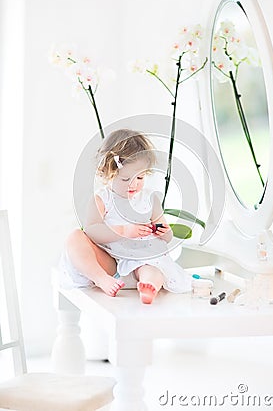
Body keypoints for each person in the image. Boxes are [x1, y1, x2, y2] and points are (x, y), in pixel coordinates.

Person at [59, 128, 191, 304]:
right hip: (109, 264)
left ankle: (148, 286)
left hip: (140, 261)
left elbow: (166, 235)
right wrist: (123, 231)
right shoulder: (102, 199)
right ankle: (100, 278)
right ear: (107, 174)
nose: (133, 184)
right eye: (125, 179)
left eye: (140, 178)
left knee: (153, 268)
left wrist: (163, 232)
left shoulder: (150, 200)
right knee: (75, 238)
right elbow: (92, 231)